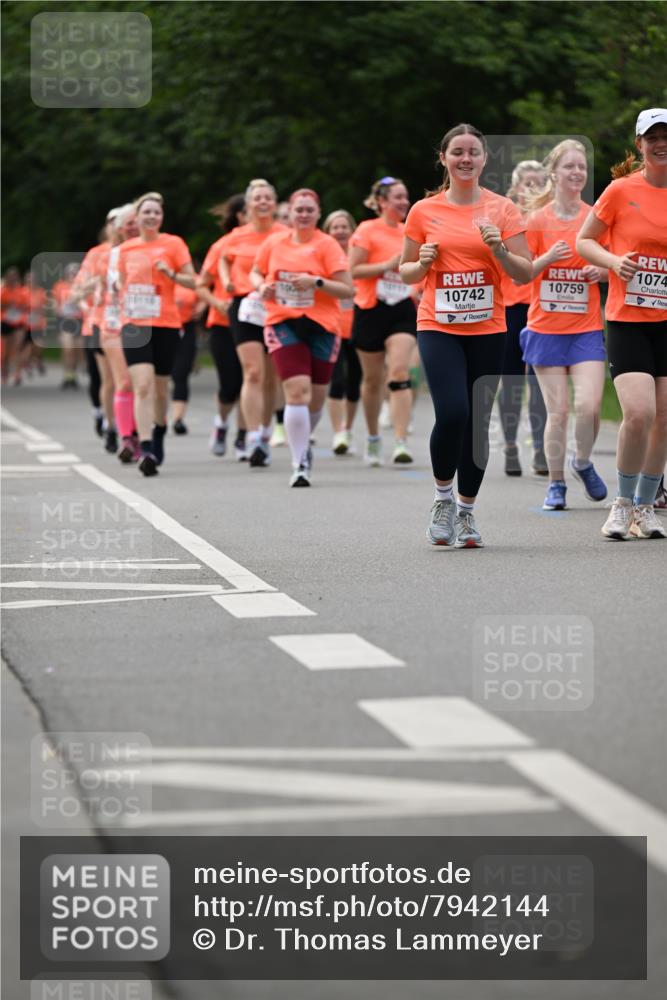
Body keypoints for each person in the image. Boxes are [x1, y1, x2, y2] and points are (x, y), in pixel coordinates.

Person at [399, 123, 532, 547]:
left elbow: (525, 271)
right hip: (438, 324)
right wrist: (421, 264)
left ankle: (467, 512)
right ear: (444, 158)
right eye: (457, 152)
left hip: (488, 327)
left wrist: (498, 249)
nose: (466, 159)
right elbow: (405, 272)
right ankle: (442, 500)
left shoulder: (503, 209)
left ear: (484, 159)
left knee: (477, 424)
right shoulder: (424, 210)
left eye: (473, 151)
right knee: (453, 413)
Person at [577, 107, 667, 540]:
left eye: (666, 136)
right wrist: (614, 262)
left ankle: (647, 508)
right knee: (639, 412)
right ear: (639, 144)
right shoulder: (619, 190)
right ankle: (623, 503)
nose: (660, 143)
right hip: (629, 318)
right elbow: (584, 240)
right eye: (652, 137)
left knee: (665, 417)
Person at [521, 139, 608, 511]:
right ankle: (555, 484)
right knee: (557, 412)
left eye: (581, 167)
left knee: (589, 407)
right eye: (569, 166)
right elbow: (521, 273)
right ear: (553, 174)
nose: (576, 172)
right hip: (545, 328)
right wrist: (547, 259)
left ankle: (582, 462)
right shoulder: (537, 220)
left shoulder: (596, 217)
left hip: (585, 327)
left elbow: (614, 265)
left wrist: (601, 271)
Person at [251, 187, 354, 486]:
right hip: (282, 321)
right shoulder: (274, 242)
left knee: (316, 399)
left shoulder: (328, 245)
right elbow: (256, 272)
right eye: (299, 209)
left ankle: (302, 440)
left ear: (318, 213)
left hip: (323, 324)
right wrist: (261, 287)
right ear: (291, 212)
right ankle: (299, 463)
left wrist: (316, 282)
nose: (304, 214)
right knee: (297, 391)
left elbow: (348, 289)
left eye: (310, 210)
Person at [117, 191, 195, 476]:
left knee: (162, 389)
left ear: (161, 217)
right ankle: (146, 447)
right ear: (136, 218)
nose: (151, 216)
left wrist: (171, 274)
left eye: (156, 212)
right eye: (145, 212)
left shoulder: (173, 244)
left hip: (166, 324)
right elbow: (122, 285)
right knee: (143, 385)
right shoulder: (125, 250)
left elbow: (192, 280)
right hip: (135, 323)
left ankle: (159, 430)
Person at [349, 177, 419, 464]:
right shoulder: (367, 230)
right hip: (370, 308)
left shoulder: (411, 232)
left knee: (400, 372)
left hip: (402, 307)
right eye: (398, 198)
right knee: (372, 380)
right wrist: (386, 266)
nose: (404, 202)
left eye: (406, 197)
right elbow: (353, 270)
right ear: (381, 202)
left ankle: (401, 442)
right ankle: (374, 436)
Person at [219, 179, 286, 468]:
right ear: (248, 204)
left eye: (267, 198)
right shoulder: (237, 236)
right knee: (253, 372)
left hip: (277, 306)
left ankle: (266, 429)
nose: (262, 202)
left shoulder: (285, 233)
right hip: (245, 306)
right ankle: (253, 435)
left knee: (272, 376)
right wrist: (225, 280)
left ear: (274, 203)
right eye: (257, 198)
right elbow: (223, 259)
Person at [498, 160, 548, 475]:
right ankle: (511, 445)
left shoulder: (549, 218)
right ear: (515, 187)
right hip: (509, 307)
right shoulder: (504, 217)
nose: (532, 188)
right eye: (527, 183)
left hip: (542, 307)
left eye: (539, 183)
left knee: (540, 381)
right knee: (512, 382)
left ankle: (541, 448)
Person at [198, 194, 247, 459]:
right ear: (240, 216)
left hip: (255, 321)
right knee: (230, 384)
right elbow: (201, 285)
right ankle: (221, 424)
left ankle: (243, 437)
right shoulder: (222, 246)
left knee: (251, 379)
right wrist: (218, 304)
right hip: (223, 323)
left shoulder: (273, 241)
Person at [322, 209, 362, 454]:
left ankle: (347, 428)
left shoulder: (359, 259)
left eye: (344, 226)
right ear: (327, 232)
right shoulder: (323, 256)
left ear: (352, 230)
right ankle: (338, 433)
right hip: (332, 325)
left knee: (355, 381)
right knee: (336, 380)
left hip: (358, 326)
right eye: (334, 227)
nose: (340, 231)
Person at [171, 275, 206, 434]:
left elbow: (204, 294)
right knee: (160, 375)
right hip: (161, 328)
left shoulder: (193, 279)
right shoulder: (159, 274)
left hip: (186, 327)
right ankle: (157, 417)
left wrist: (201, 306)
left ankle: (178, 419)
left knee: (181, 373)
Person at [52, 262, 84, 389]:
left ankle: (73, 375)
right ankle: (67, 374)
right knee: (68, 349)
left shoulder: (82, 286)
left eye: (76, 273)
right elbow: (55, 303)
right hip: (65, 320)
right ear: (66, 274)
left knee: (77, 349)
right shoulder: (59, 286)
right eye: (71, 273)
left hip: (79, 320)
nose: (73, 275)